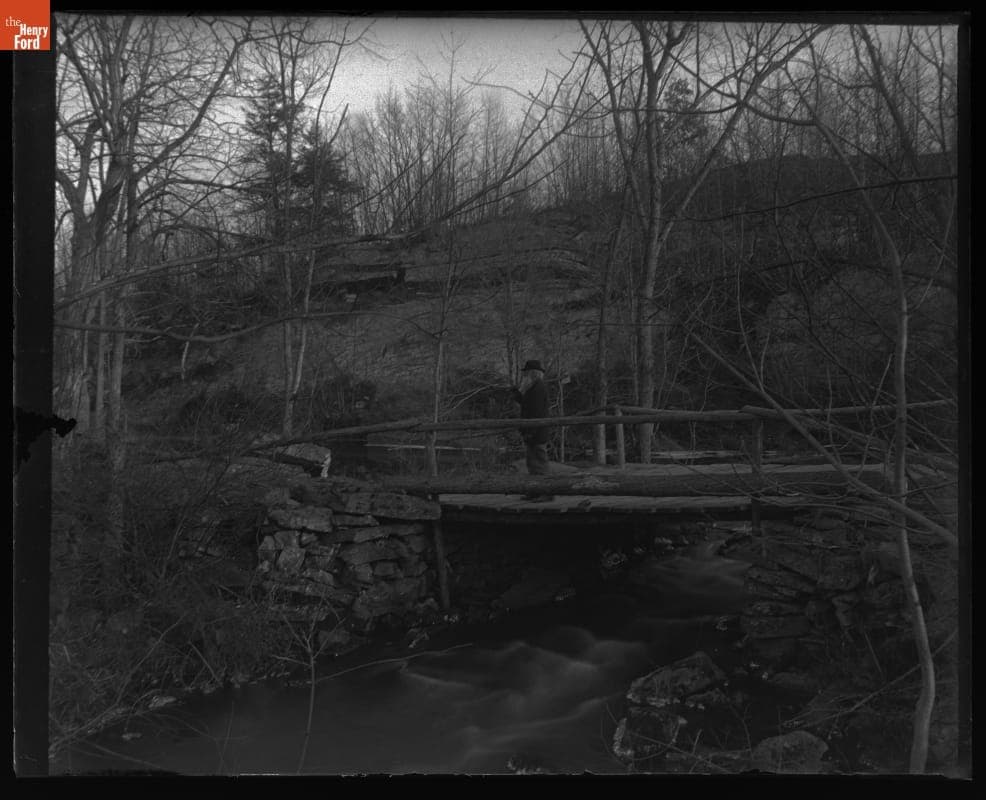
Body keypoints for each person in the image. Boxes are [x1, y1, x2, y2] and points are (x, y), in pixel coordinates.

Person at [512, 360, 553, 499]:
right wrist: (516, 393)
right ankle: (535, 491)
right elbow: (526, 404)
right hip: (534, 430)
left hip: (536, 431)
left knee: (539, 464)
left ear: (532, 373)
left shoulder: (538, 388)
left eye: (526, 373)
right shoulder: (534, 387)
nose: (524, 375)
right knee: (532, 464)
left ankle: (545, 493)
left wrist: (530, 432)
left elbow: (536, 412)